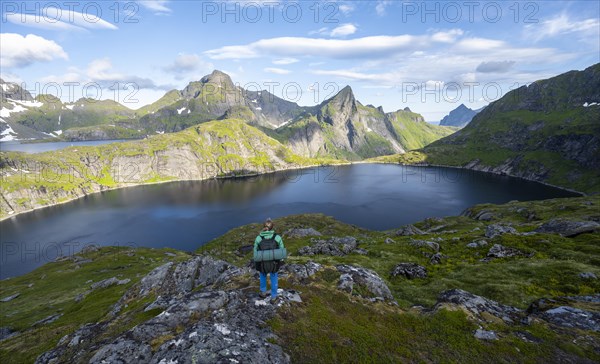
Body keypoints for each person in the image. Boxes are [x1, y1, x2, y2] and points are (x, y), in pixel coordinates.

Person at [254, 218, 284, 303]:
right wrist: (280, 260)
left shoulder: (258, 238)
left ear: (264, 227)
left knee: (263, 275)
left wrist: (257, 262)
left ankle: (263, 292)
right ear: (272, 227)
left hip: (262, 262)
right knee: (274, 277)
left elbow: (255, 251)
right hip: (274, 262)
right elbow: (281, 249)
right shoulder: (277, 237)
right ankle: (274, 297)